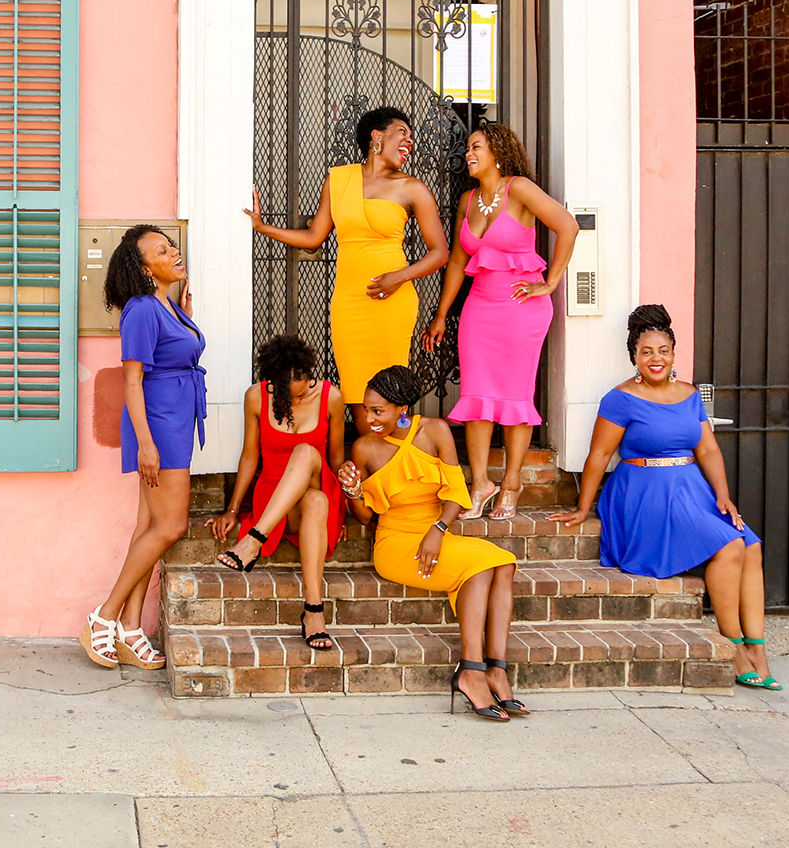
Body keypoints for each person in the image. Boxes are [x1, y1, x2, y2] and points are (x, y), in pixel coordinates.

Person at [550, 304, 782, 690]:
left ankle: (758, 648)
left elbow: (707, 450)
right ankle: (734, 647)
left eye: (663, 351)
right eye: (646, 352)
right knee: (730, 548)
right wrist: (581, 507)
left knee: (751, 546)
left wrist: (723, 497)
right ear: (634, 358)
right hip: (643, 489)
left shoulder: (690, 394)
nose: (655, 359)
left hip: (691, 488)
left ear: (673, 355)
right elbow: (600, 455)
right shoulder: (620, 399)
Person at [337, 366, 527, 720]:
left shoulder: (435, 431)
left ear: (402, 408)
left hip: (434, 533)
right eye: (366, 409)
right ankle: (472, 671)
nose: (369, 418)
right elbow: (364, 517)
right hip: (394, 543)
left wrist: (438, 529)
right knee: (483, 565)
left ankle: (495, 670)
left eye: (378, 410)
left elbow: (456, 494)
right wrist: (352, 491)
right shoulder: (364, 447)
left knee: (503, 562)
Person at [244, 107, 448, 431]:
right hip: (349, 301)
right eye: (402, 133)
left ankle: (393, 468)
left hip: (393, 302)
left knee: (391, 388)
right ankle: (370, 469)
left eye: (412, 137)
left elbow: (440, 252)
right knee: (356, 390)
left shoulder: (413, 189)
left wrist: (399, 276)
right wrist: (262, 227)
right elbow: (314, 238)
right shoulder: (338, 179)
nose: (410, 140)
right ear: (377, 137)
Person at [423, 122, 577, 520]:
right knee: (476, 397)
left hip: (522, 308)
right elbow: (458, 260)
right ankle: (480, 484)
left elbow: (568, 226)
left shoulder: (519, 188)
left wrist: (551, 283)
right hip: (480, 307)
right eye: (469, 148)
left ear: (497, 151)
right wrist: (441, 314)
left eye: (477, 146)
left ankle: (511, 483)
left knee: (514, 397)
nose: (469, 154)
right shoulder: (468, 200)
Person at [79, 225, 206, 670]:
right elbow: (132, 380)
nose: (173, 252)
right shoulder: (140, 311)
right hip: (158, 429)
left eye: (171, 245)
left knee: (147, 526)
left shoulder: (165, 306)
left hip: (172, 423)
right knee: (170, 526)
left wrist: (183, 314)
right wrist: (147, 445)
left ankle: (131, 630)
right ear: (143, 266)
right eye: (161, 250)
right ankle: (104, 615)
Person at [206, 335, 346, 650]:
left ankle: (254, 542)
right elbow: (249, 457)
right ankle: (314, 612)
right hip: (276, 499)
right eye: (290, 383)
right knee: (316, 500)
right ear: (273, 381)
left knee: (309, 456)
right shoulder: (256, 397)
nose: (301, 387)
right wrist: (232, 509)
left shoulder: (331, 397)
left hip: (316, 482)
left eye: (304, 377)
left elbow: (335, 459)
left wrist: (349, 503)